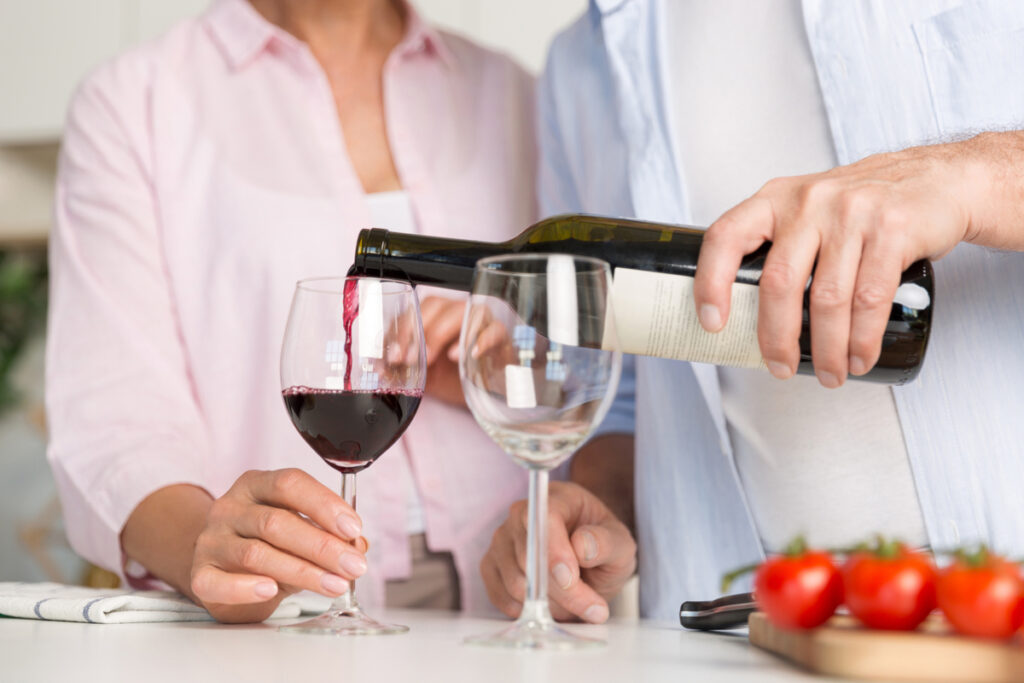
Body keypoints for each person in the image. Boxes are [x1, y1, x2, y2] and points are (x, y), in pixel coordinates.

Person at [482, 0, 1024, 623]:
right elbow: (626, 391)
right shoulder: (582, 64)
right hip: (735, 634)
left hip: (996, 607)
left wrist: (973, 176)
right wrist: (593, 513)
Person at [46, 0, 537, 623]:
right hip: (275, 619)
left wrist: (502, 370)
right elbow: (116, 419)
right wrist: (214, 547)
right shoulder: (136, 102)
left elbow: (590, 364)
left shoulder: (518, 96)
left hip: (508, 607)